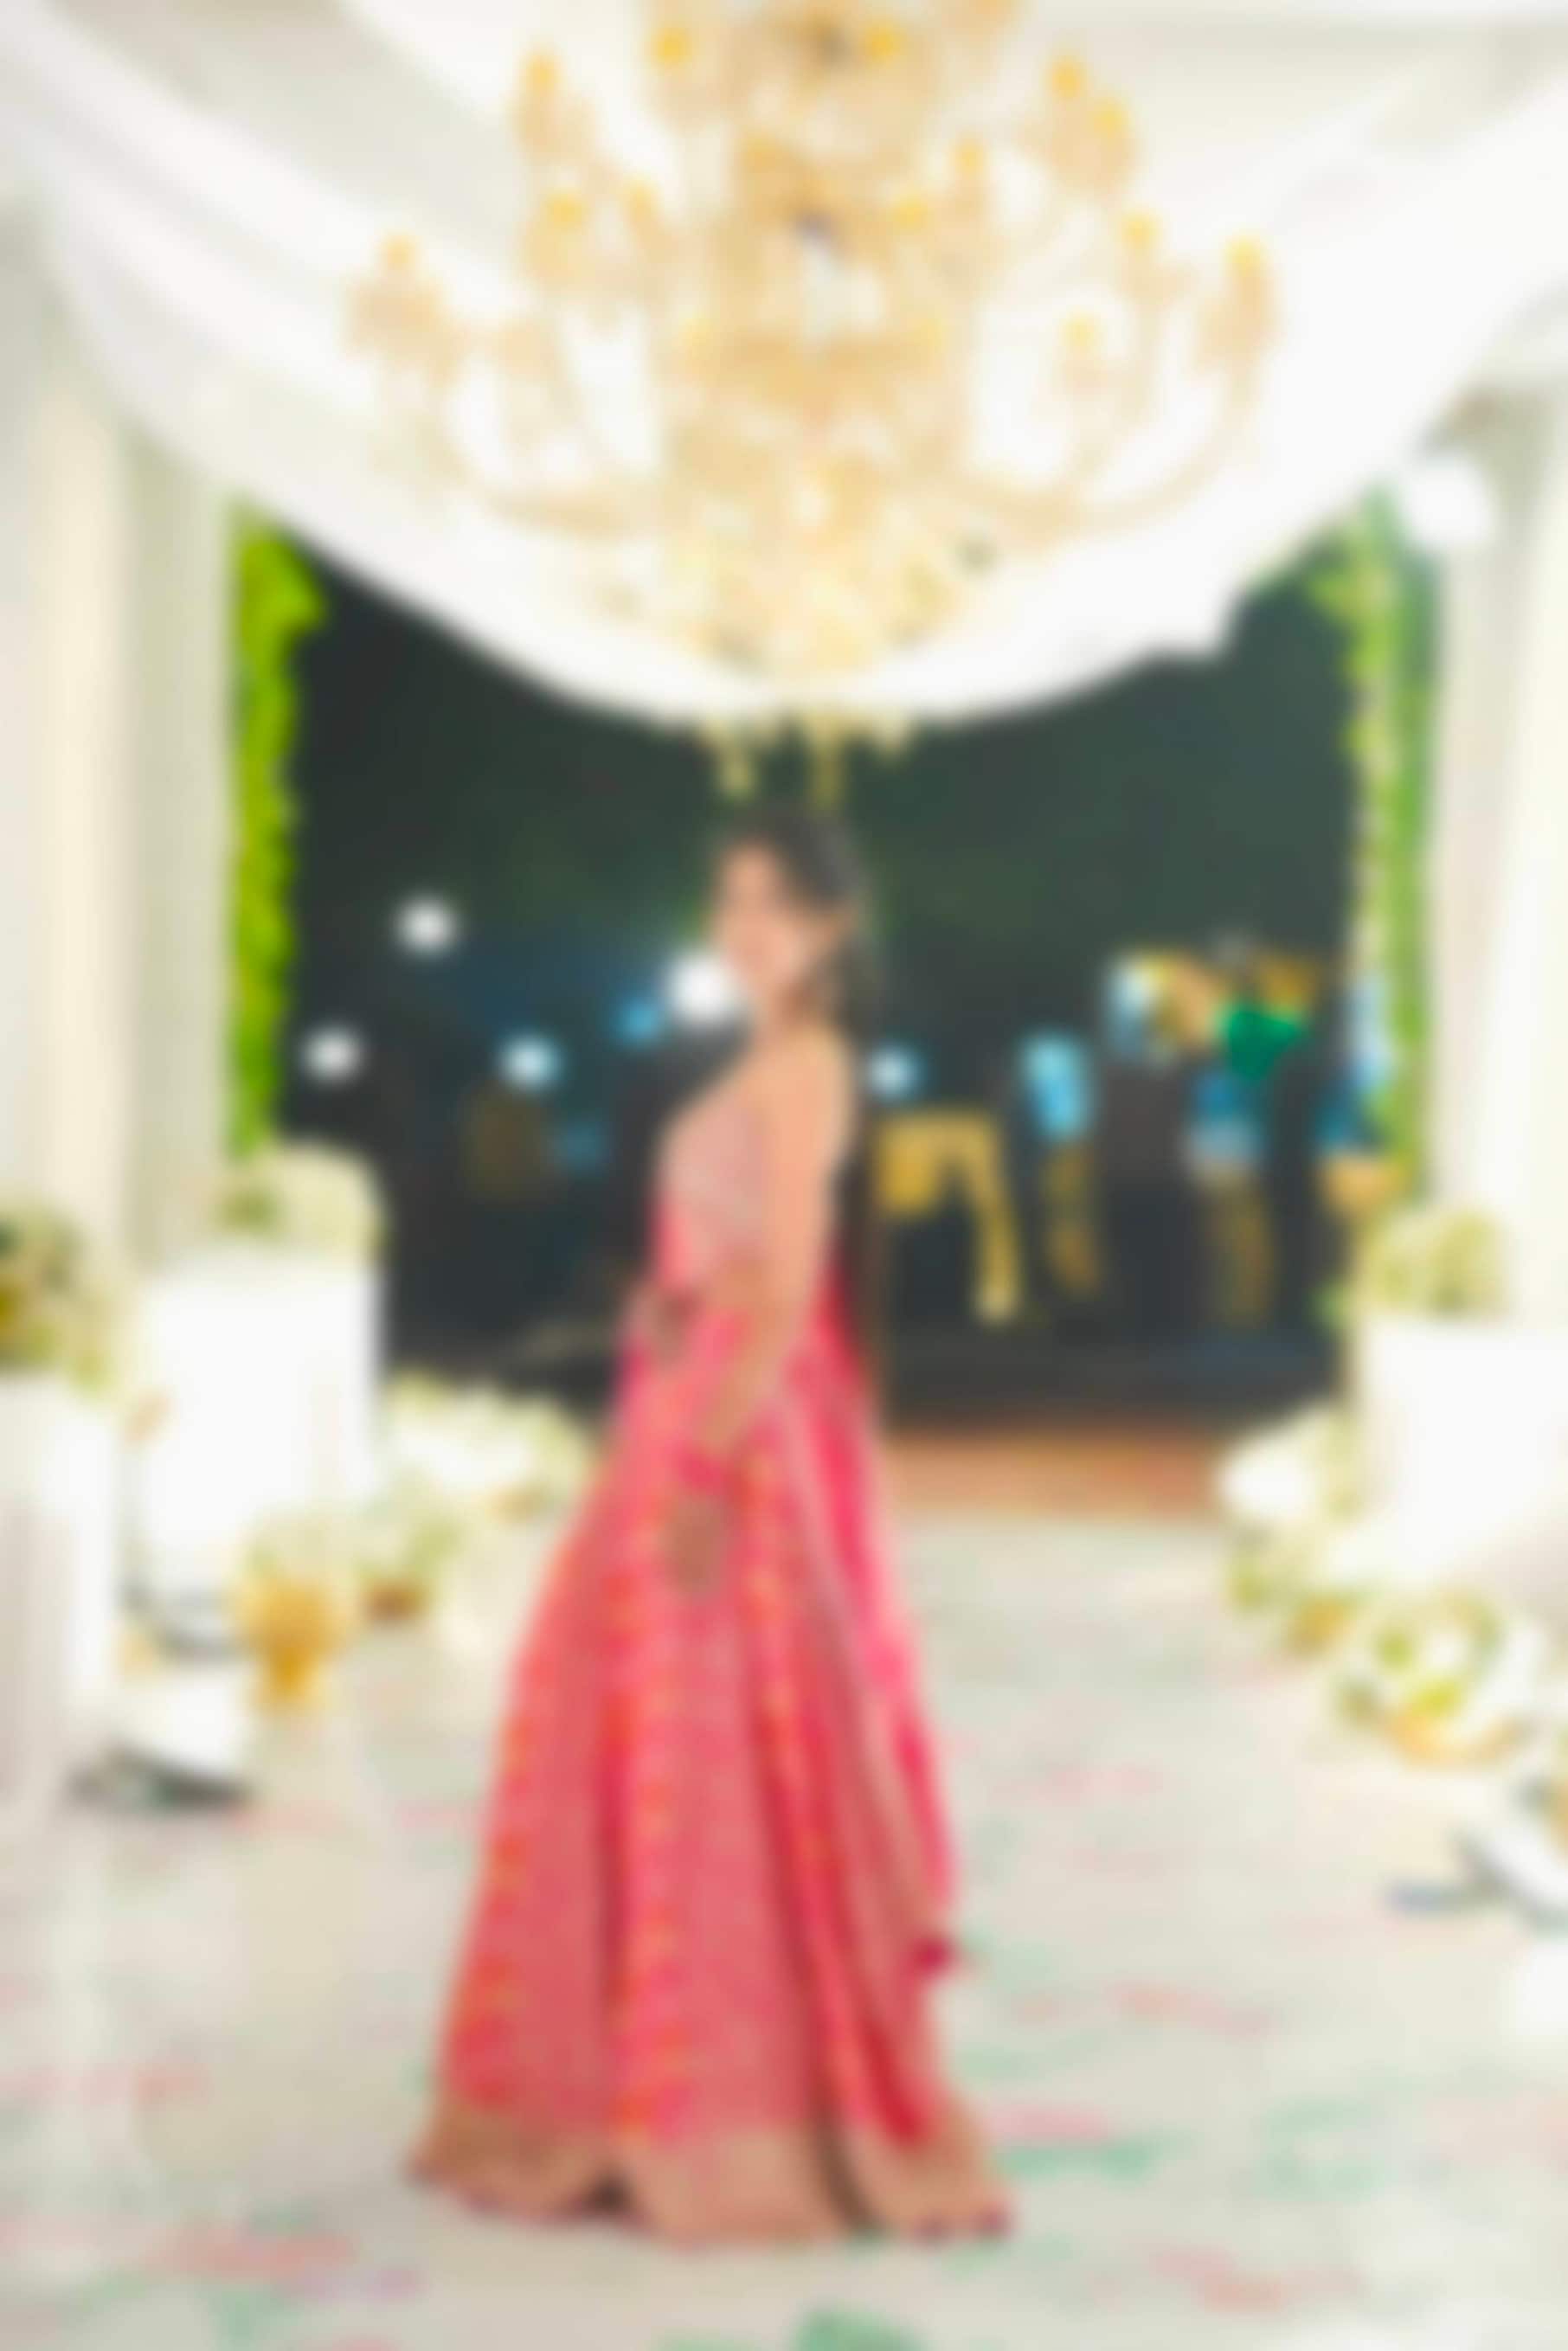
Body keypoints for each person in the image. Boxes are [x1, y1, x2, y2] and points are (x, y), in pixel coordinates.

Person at [413, 806, 1006, 2245]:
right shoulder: (748, 1057)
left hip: (736, 1434)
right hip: (688, 1398)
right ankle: (624, 2088)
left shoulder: (810, 1066)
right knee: (630, 1731)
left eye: (778, 905)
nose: (748, 928)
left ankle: (736, 2107)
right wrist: (674, 1304)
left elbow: (793, 1282)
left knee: (728, 1750)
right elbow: (730, 1256)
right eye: (732, 900)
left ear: (834, 926)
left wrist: (709, 1459)